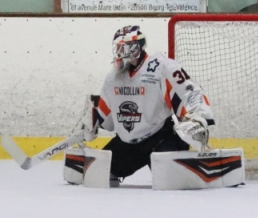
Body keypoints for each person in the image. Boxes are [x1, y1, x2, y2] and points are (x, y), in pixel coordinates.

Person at [75, 25, 215, 186]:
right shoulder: (114, 77)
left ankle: (192, 166)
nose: (119, 52)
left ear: (136, 48)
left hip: (161, 136)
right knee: (100, 174)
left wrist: (199, 116)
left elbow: (190, 92)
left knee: (168, 179)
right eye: (117, 48)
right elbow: (106, 111)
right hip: (129, 143)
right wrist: (92, 121)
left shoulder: (162, 67)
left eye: (123, 47)